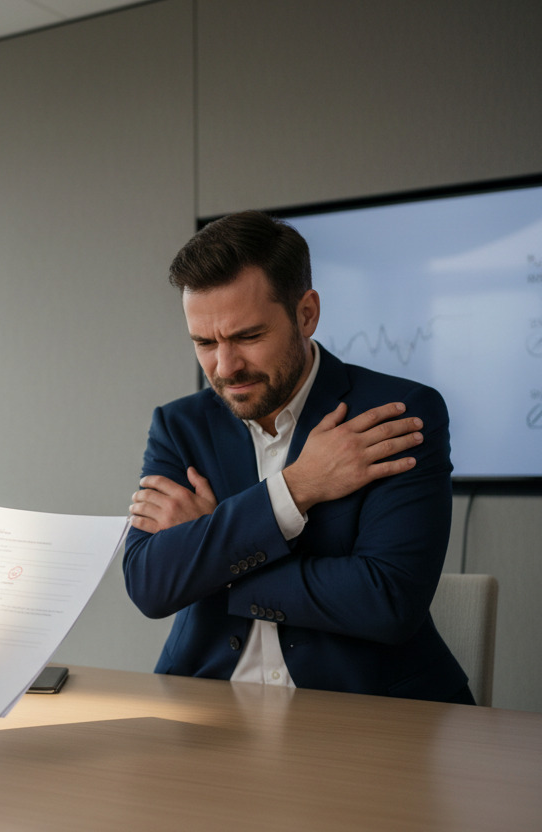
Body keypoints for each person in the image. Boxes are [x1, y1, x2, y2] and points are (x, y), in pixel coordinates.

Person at [122, 210, 473, 704]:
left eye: (248, 336)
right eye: (204, 343)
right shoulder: (181, 426)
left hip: (367, 715)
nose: (225, 368)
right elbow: (150, 584)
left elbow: (387, 602)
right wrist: (297, 487)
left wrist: (212, 549)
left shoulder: (396, 414)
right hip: (208, 711)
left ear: (306, 313)